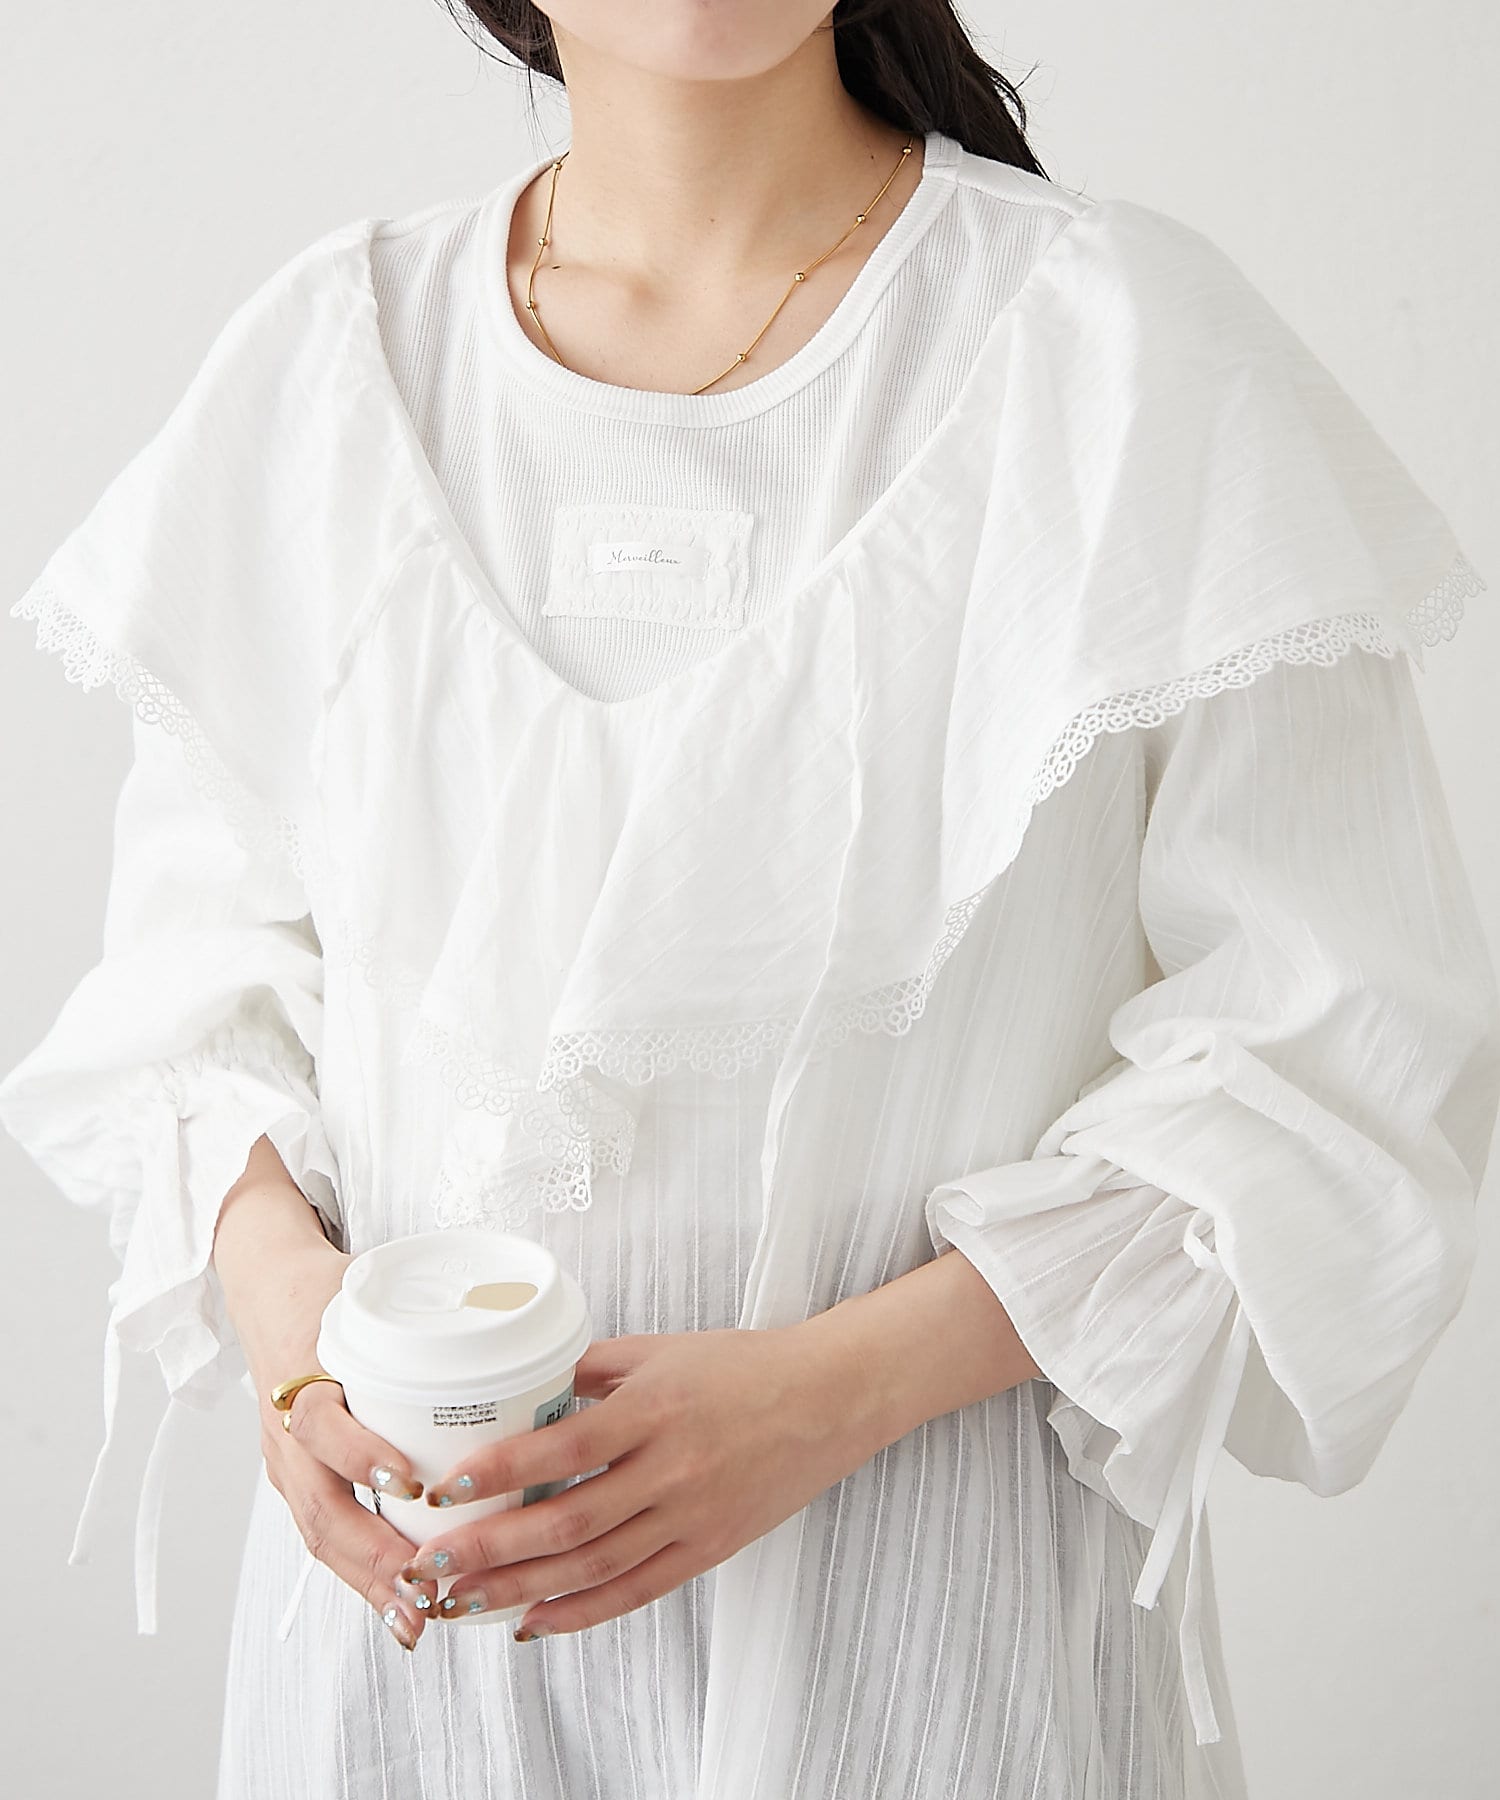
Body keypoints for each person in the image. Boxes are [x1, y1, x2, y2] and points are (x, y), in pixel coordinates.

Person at [3, 3, 1497, 1796]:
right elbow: (198, 995)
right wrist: (295, 1345)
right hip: (404, 1682)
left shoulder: (1120, 360)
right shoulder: (332, 367)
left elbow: (1337, 1064)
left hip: (933, 1671)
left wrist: (829, 1393)